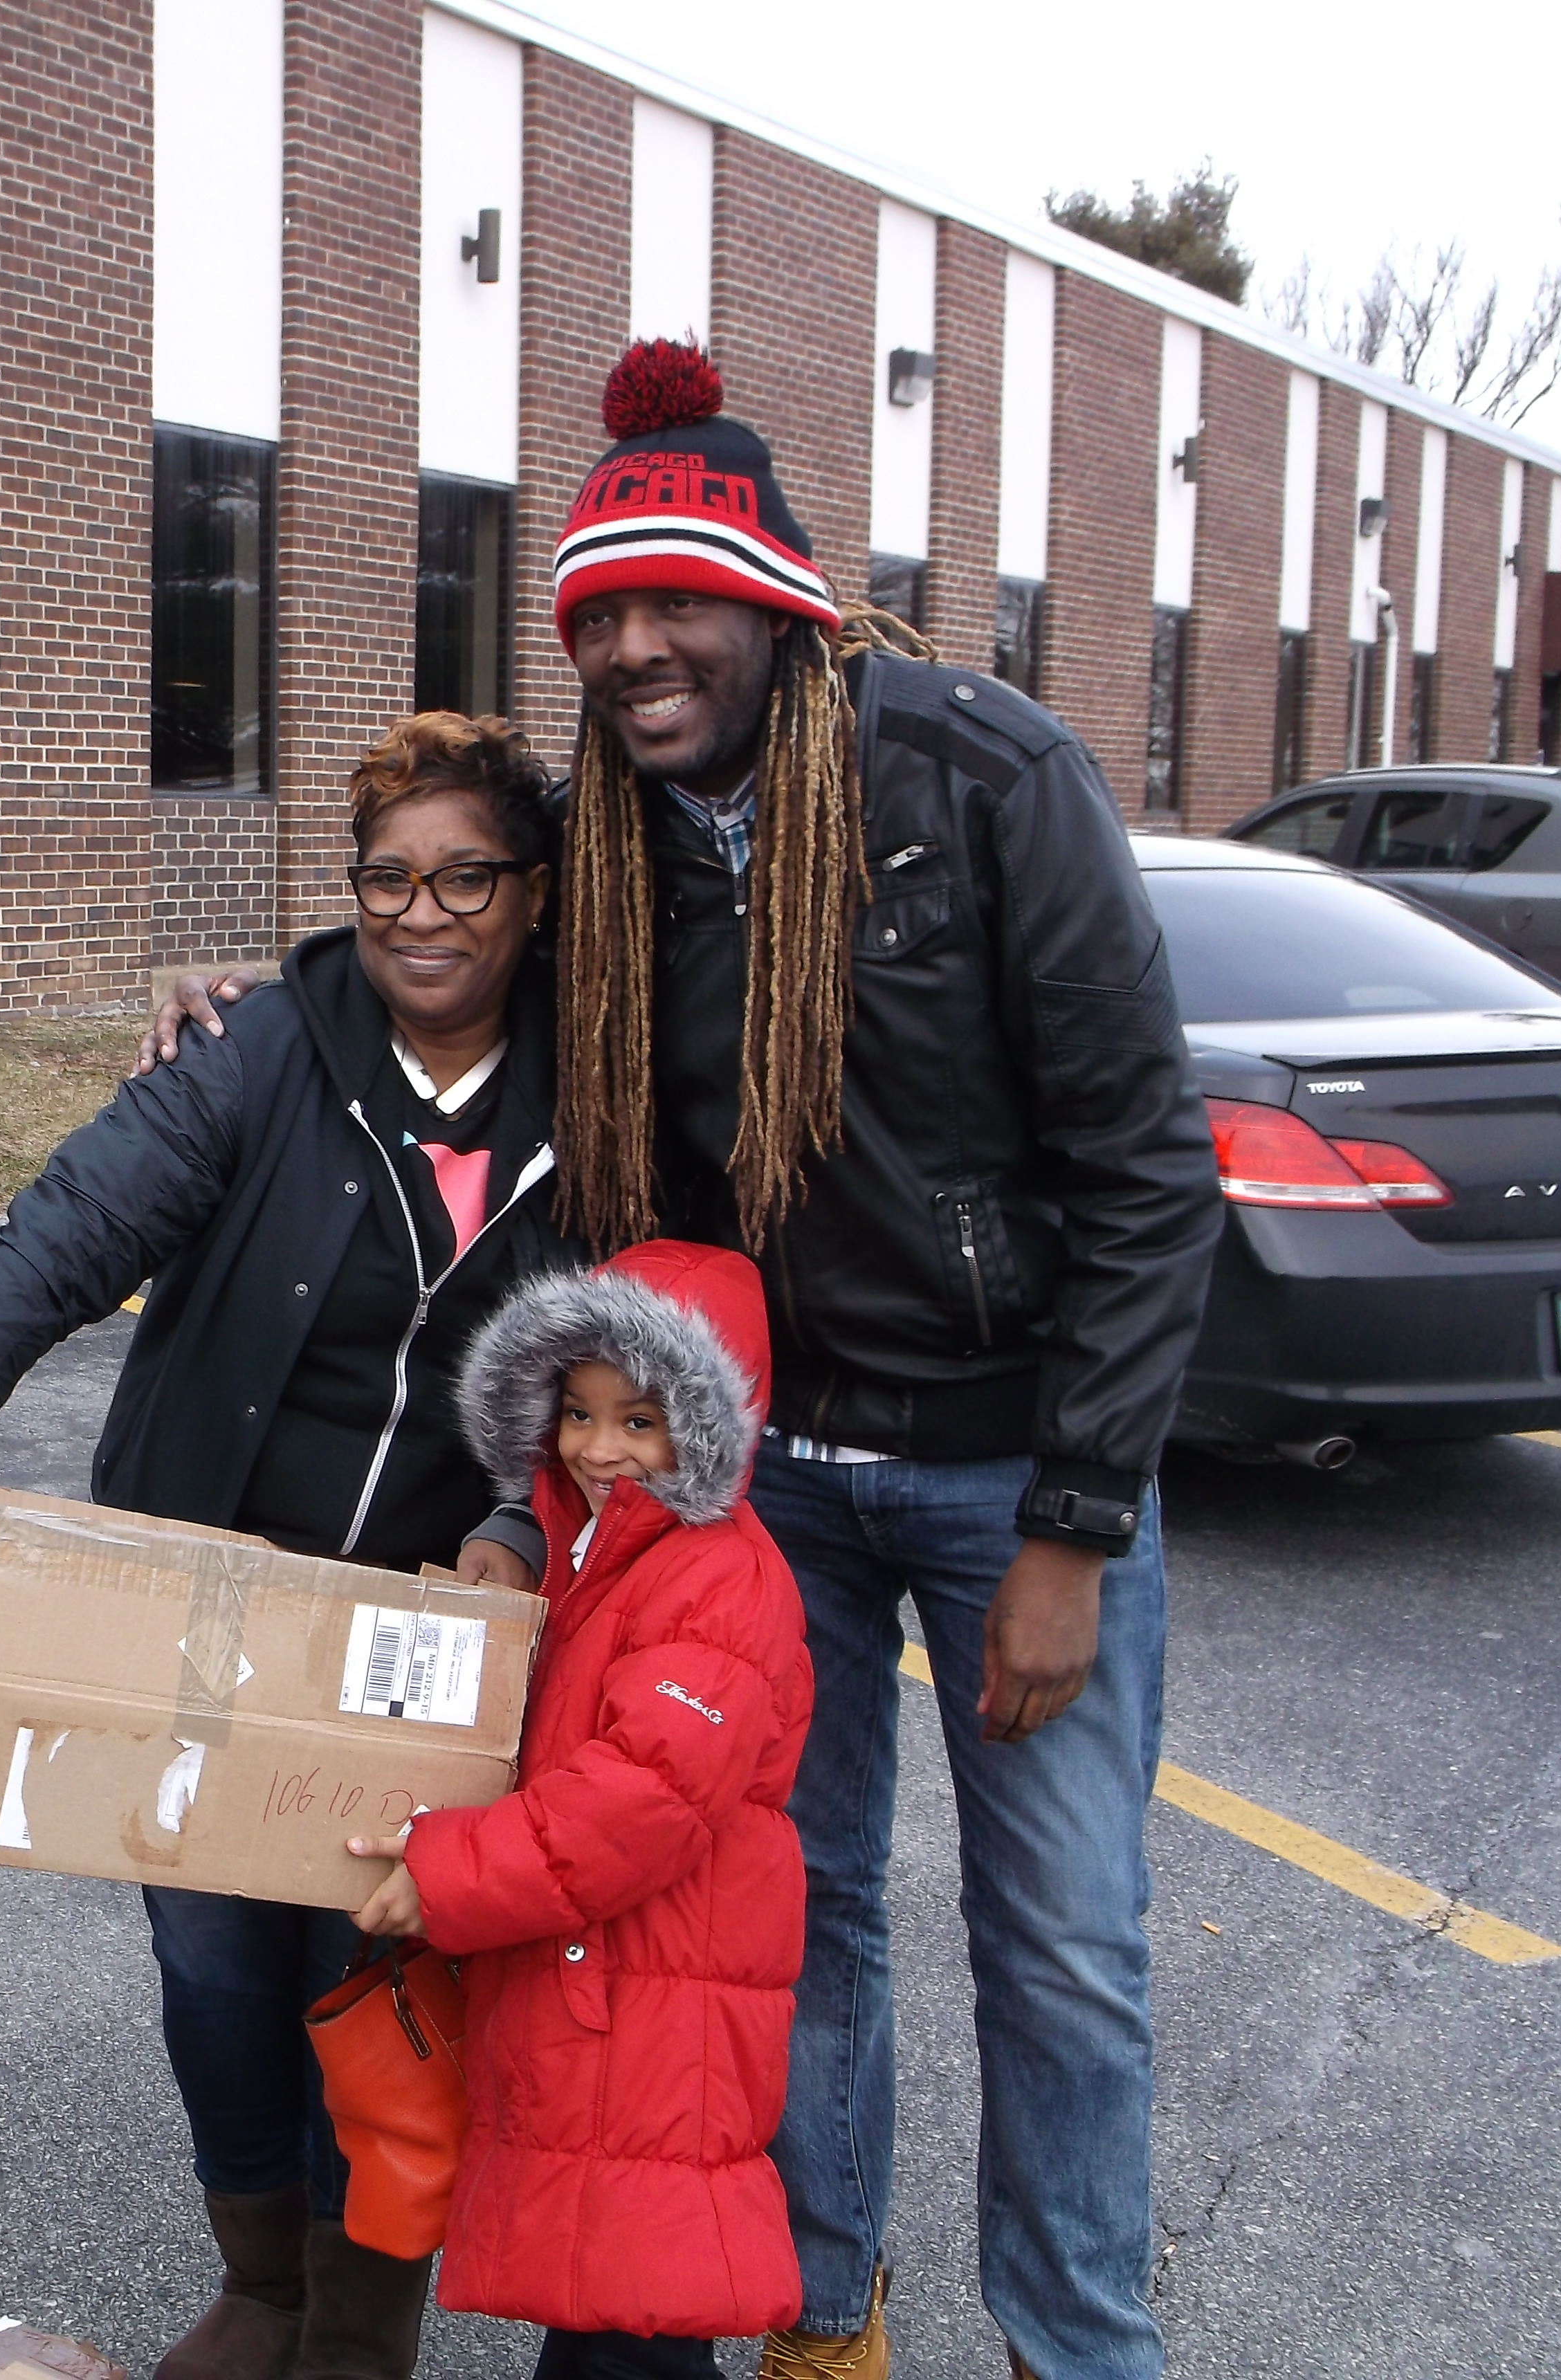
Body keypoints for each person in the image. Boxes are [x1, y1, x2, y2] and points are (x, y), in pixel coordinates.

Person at [149, 340, 1222, 2380]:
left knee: (1066, 1946)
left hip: (1014, 1469)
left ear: (779, 603)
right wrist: (268, 1004)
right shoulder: (617, 847)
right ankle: (822, 2314)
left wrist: (1081, 1520)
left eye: (678, 602)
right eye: (602, 615)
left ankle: (1082, 2348)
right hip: (766, 1477)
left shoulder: (983, 778)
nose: (639, 648)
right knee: (791, 1916)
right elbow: (434, 920)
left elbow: (1151, 1172)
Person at [0, 713, 587, 2380]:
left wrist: (522, 1523)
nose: (420, 913)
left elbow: (606, 1351)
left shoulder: (595, 1095)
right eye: (385, 876)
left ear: (535, 895)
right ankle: (265, 2280)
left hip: (434, 1628)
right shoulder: (264, 1051)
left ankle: (366, 2313)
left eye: (465, 875)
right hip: (210, 1599)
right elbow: (62, 1235)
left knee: (385, 1964)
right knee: (221, 1957)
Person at [346, 1238, 812, 2380]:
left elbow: (639, 1797)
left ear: (707, 1427)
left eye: (641, 1422)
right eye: (580, 1414)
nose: (601, 1449)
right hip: (608, 1983)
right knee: (608, 2299)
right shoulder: (596, 1552)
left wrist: (450, 1873)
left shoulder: (720, 1582)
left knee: (637, 2309)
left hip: (658, 2006)